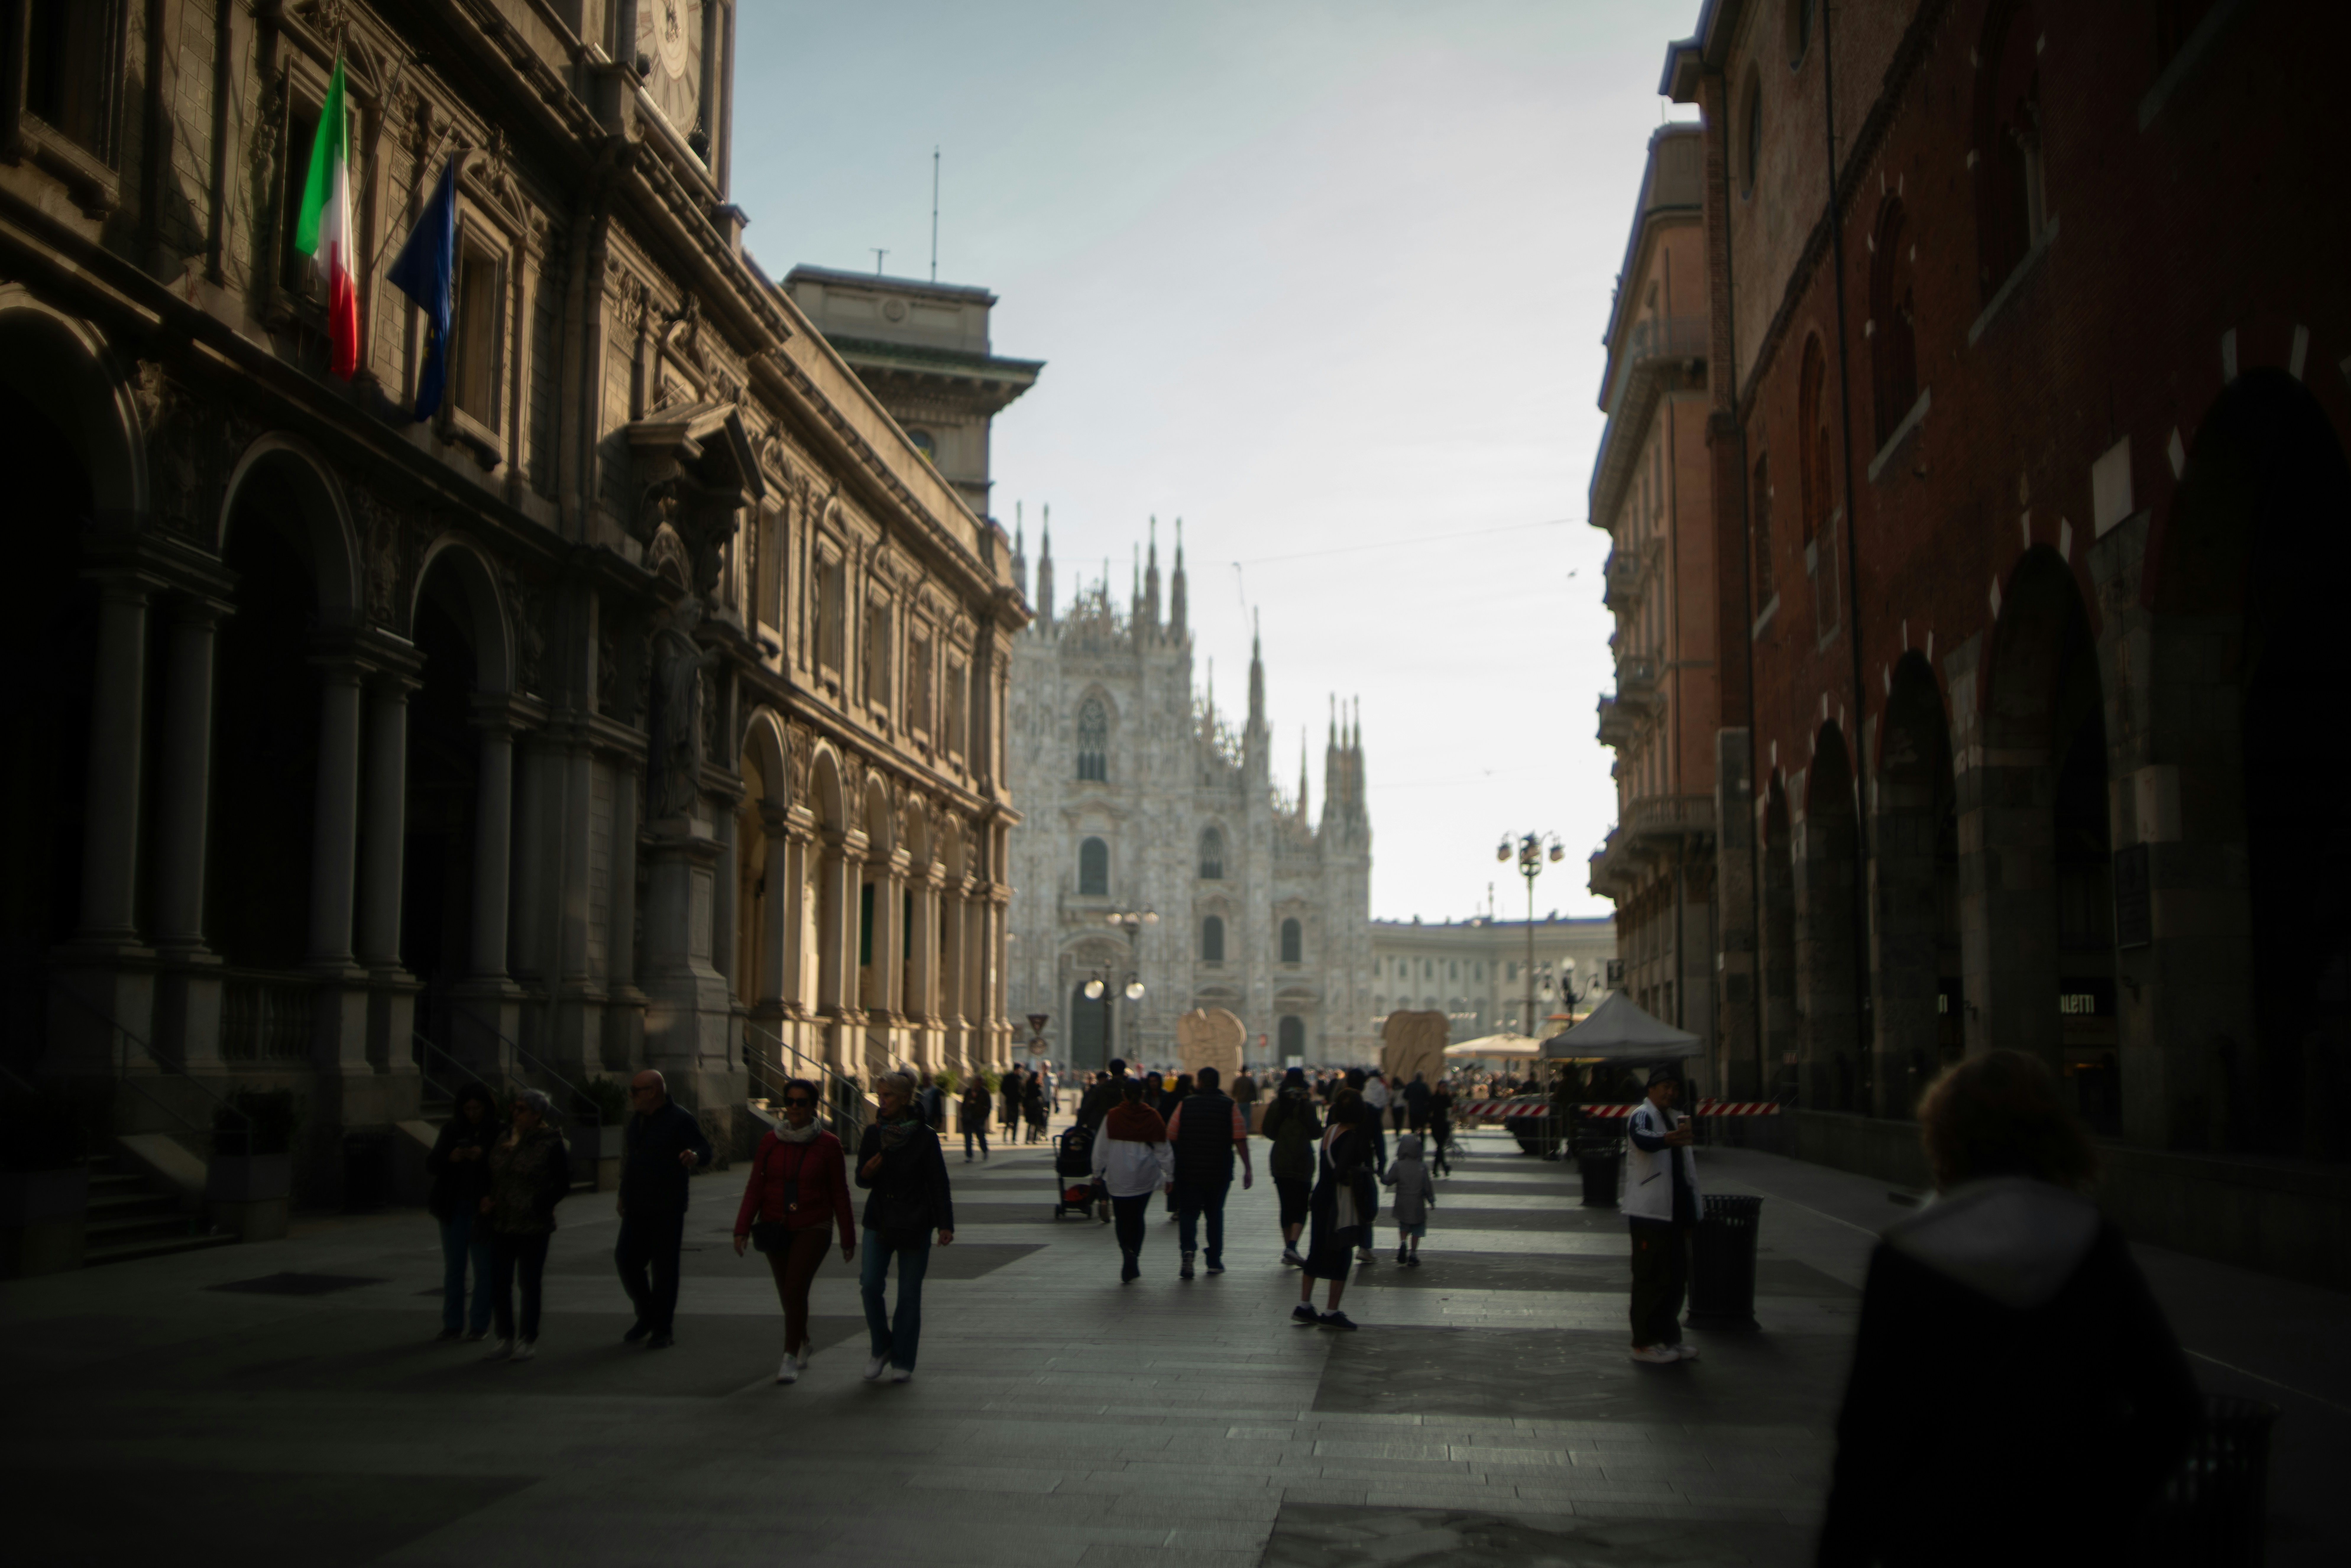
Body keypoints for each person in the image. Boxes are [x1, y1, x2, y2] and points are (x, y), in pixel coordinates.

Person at [1818, 1052, 2200, 1567]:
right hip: (2067, 1534)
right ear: (2052, 1133)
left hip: (1936, 1536)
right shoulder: (2092, 1241)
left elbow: (1869, 1434)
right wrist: (2105, 1506)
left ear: (1943, 1136)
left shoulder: (1905, 1255)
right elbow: (2173, 1405)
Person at [733, 1077, 856, 1384]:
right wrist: (742, 1228)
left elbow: (840, 1192)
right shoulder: (770, 1142)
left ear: (813, 1106)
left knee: (794, 1287)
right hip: (775, 1225)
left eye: (802, 1102)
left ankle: (789, 1355)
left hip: (814, 1225)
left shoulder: (828, 1145)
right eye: (790, 1101)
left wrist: (848, 1237)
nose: (795, 1108)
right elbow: (756, 1187)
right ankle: (802, 1340)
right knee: (788, 1292)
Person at [853, 1070, 955, 1383]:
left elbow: (938, 1182)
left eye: (887, 1096)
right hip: (879, 1218)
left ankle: (903, 1360)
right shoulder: (873, 1134)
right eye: (879, 1095)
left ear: (903, 1098)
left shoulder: (923, 1137)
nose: (881, 1102)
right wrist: (866, 1173)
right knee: (870, 1284)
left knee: (909, 1294)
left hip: (914, 1220)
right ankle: (881, 1346)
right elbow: (860, 1179)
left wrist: (944, 1224)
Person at [616, 1069, 713, 1351]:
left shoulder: (680, 1119)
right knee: (626, 1259)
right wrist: (624, 1193)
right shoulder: (638, 1122)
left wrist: (694, 1156)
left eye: (636, 1091)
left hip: (667, 1206)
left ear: (653, 1092)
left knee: (664, 1269)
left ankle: (662, 1328)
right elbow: (632, 1161)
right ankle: (646, 1314)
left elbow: (704, 1149)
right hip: (637, 1205)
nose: (632, 1096)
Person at [480, 1088, 570, 1363]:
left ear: (537, 1114)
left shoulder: (550, 1142)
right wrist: (485, 1198)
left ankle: (527, 1338)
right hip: (502, 1221)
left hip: (533, 1226)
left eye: (522, 1109)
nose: (515, 1114)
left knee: (529, 1283)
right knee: (500, 1282)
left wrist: (538, 1204)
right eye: (514, 1108)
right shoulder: (505, 1138)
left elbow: (562, 1184)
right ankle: (505, 1336)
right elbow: (489, 1171)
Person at [1625, 1065, 1699, 1364]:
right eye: (1664, 1087)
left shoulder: (1674, 1117)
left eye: (1675, 1088)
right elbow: (1642, 1138)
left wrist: (1692, 1213)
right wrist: (1667, 1140)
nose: (1670, 1092)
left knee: (1674, 1279)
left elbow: (1685, 1172)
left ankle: (1669, 1338)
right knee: (1650, 1278)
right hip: (1650, 1213)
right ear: (1651, 1089)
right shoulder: (1642, 1115)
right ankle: (1644, 1343)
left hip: (1674, 1213)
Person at [425, 1081, 500, 1342]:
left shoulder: (496, 1131)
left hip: (482, 1208)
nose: (472, 1114)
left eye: (477, 1108)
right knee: (455, 1268)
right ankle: (452, 1324)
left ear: (486, 1107)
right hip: (453, 1205)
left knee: (484, 1269)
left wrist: (485, 1155)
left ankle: (479, 1324)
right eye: (468, 1109)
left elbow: (505, 1166)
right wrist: (451, 1157)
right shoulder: (451, 1130)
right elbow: (432, 1164)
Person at [1293, 1086, 1370, 1331]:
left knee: (1316, 1249)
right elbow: (1343, 1173)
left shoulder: (1331, 1131)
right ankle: (1331, 1311)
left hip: (1321, 1197)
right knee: (1342, 1251)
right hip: (1339, 1202)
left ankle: (1305, 1305)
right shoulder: (1352, 1137)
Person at [1165, 1066, 1254, 1278]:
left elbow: (1172, 1134)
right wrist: (1248, 1168)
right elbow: (1240, 1137)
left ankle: (1188, 1252)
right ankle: (1214, 1260)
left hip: (1189, 1170)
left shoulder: (1185, 1104)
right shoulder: (1229, 1106)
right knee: (1215, 1214)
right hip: (1219, 1169)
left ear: (1201, 1083)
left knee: (1188, 1213)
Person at [1089, 1078, 1173, 1283]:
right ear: (1143, 1095)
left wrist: (1097, 1173)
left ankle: (1126, 1251)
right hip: (1144, 1177)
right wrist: (1170, 1175)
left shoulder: (1113, 1116)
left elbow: (1100, 1149)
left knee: (1122, 1218)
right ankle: (1135, 1255)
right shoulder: (1152, 1116)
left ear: (1124, 1095)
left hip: (1118, 1177)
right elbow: (1164, 1150)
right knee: (1138, 1218)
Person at [1259, 1067, 1321, 1267]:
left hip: (1281, 1159)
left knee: (1286, 1205)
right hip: (1303, 1160)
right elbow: (1316, 1133)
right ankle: (1292, 1246)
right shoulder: (1308, 1106)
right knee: (1301, 1205)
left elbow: (1267, 1130)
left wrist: (1283, 1136)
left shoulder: (1278, 1105)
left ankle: (1289, 1248)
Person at [1382, 1132, 1435, 1265]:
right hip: (1417, 1203)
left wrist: (1381, 1175)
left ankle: (1403, 1243)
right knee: (1417, 1228)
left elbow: (1388, 1181)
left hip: (1402, 1203)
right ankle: (1413, 1253)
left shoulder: (1398, 1166)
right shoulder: (1422, 1167)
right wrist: (1431, 1200)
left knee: (1404, 1225)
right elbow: (1427, 1186)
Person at [1078, 1057, 1126, 1132]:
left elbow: (1087, 1108)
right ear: (1124, 1071)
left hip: (1101, 1127)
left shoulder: (1100, 1089)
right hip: (1123, 1127)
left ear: (1110, 1071)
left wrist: (1078, 1128)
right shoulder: (1127, 1089)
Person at [958, 1073, 992, 1162]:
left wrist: (984, 1117)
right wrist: (964, 1114)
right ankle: (969, 1156)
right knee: (968, 1137)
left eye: (981, 1081)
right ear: (974, 1082)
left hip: (979, 1118)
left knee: (981, 1136)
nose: (979, 1083)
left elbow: (989, 1106)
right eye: (978, 1081)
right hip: (968, 1118)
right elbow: (964, 1104)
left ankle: (985, 1150)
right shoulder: (969, 1091)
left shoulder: (985, 1093)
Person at [1427, 1080, 1455, 1178]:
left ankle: (1438, 1169)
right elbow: (1429, 1111)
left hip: (1445, 1125)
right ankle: (1443, 1168)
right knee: (1440, 1147)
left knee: (1440, 1147)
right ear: (1439, 1087)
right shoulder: (1433, 1098)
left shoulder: (1448, 1098)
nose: (1444, 1089)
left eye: (1445, 1087)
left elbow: (1450, 1111)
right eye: (1442, 1087)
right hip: (1435, 1125)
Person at [998, 1065, 1024, 1145]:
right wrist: (1009, 1095)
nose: (1021, 1071)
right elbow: (1003, 1088)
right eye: (1020, 1069)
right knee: (1009, 1120)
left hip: (1017, 1103)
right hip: (1010, 1102)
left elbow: (1023, 1090)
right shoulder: (1008, 1077)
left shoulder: (1020, 1078)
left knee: (1016, 1121)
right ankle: (1005, 1137)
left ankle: (1014, 1139)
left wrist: (1021, 1098)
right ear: (1017, 1069)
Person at [1231, 1065, 1260, 1135]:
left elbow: (1234, 1092)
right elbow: (1255, 1091)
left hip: (1240, 1101)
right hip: (1247, 1101)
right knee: (1246, 1117)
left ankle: (1239, 1131)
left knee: (1239, 1118)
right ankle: (1245, 1132)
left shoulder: (1237, 1081)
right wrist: (1256, 1101)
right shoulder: (1250, 1081)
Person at [1023, 1070, 1048, 1143]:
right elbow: (1037, 1095)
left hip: (1035, 1106)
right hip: (1033, 1106)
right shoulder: (1032, 1085)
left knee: (1034, 1123)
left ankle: (1031, 1139)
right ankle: (1031, 1139)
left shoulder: (1035, 1084)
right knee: (1033, 1123)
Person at [1403, 1072, 1432, 1136]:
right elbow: (1428, 1098)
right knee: (1422, 1128)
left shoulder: (1410, 1085)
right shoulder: (1424, 1086)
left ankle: (1413, 1142)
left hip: (1413, 1109)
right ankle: (1422, 1143)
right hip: (1422, 1110)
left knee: (1413, 1127)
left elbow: (1405, 1096)